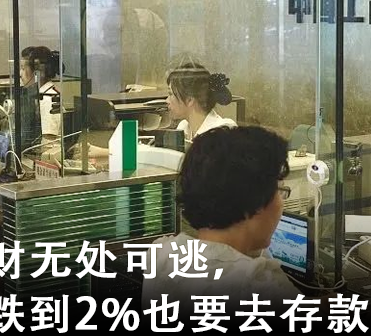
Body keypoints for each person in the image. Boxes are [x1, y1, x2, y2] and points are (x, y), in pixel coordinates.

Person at [141, 126, 300, 317]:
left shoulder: (164, 255)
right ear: (257, 202)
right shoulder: (259, 285)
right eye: (279, 191)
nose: (281, 201)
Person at [75, 59, 236, 159]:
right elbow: (154, 153)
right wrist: (103, 152)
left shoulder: (221, 131)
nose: (167, 101)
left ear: (189, 100)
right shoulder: (184, 128)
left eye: (171, 94)